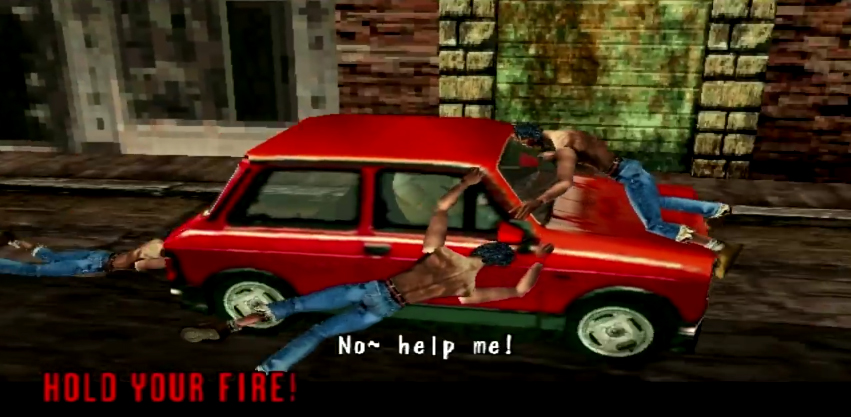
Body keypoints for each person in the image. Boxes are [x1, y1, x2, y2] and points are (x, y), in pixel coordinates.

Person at [179, 168, 555, 372]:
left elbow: (441, 208)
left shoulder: (440, 253)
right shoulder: (467, 288)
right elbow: (519, 290)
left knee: (293, 306)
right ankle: (267, 372)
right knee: (318, 333)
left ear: (481, 248)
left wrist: (465, 183)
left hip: (370, 290)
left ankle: (234, 325)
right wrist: (541, 259)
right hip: (383, 311)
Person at [508, 123, 742, 278]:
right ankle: (717, 210)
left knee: (654, 224)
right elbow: (583, 152)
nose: (525, 147)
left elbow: (565, 182)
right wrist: (556, 155)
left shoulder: (563, 147)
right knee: (658, 203)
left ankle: (720, 248)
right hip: (630, 169)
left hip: (632, 178)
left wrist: (538, 200)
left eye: (523, 142)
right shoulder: (563, 134)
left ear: (529, 137)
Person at [0, 231, 167, 277]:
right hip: (97, 261)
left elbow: (140, 260)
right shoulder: (147, 258)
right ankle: (13, 243)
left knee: (51, 259)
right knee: (37, 269)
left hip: (98, 257)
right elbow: (133, 258)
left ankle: (15, 241)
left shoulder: (145, 262)